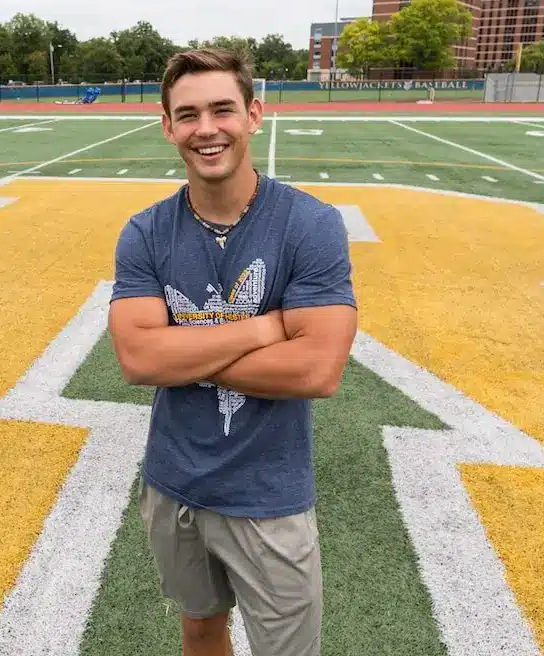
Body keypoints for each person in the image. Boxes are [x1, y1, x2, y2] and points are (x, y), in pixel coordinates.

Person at [107, 47, 359, 656]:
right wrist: (259, 329)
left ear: (254, 115)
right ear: (168, 127)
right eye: (188, 114)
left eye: (223, 109)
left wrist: (182, 347)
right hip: (174, 482)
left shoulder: (309, 224)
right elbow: (139, 360)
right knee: (199, 625)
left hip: (267, 494)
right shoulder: (145, 231)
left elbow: (316, 369)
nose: (206, 128)